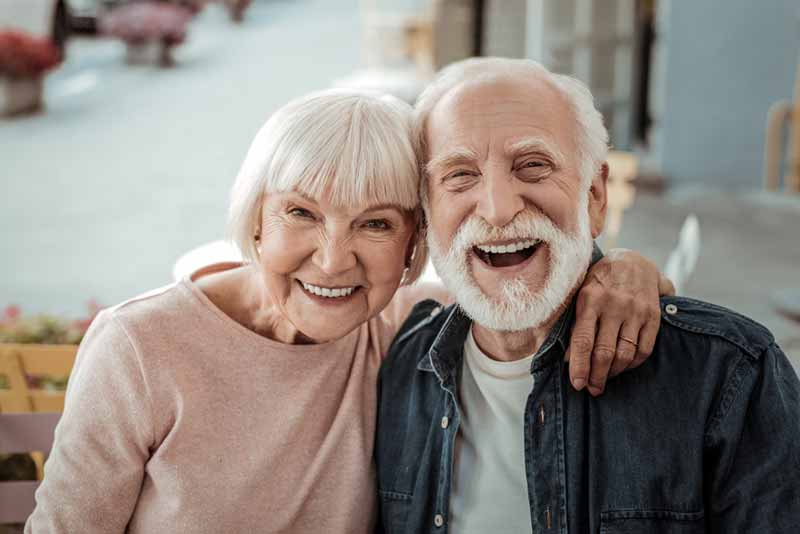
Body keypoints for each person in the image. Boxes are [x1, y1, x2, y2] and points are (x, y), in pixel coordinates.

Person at [26, 89, 668, 534]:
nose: (333, 261)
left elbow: (533, 286)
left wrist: (624, 270)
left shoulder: (406, 329)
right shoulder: (139, 348)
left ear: (416, 244)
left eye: (375, 224)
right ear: (255, 219)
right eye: (300, 213)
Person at [376, 58, 800, 533]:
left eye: (532, 166)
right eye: (460, 175)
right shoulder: (397, 363)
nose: (497, 209)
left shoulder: (727, 374)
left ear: (595, 196)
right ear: (428, 210)